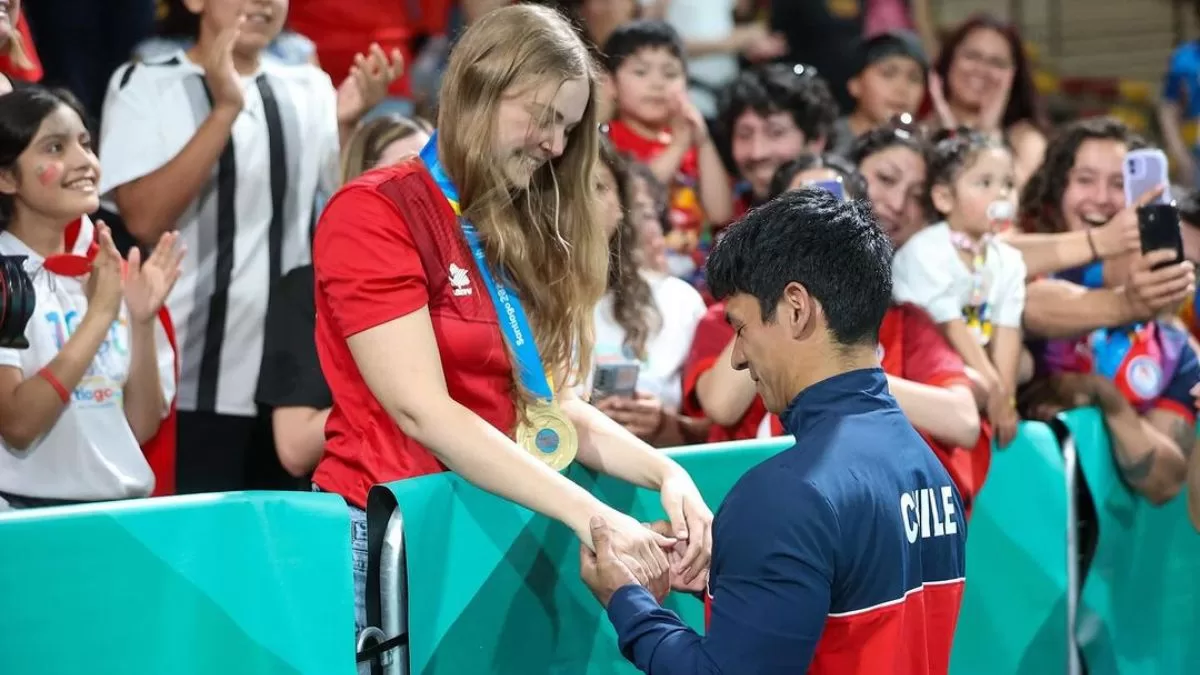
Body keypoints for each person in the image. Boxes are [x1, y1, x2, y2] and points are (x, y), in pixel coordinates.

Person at [309, 3, 713, 636]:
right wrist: (597, 519)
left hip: (498, 526)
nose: (556, 145)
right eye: (546, 117)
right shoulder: (373, 211)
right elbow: (423, 409)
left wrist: (668, 471)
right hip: (398, 538)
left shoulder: (516, 222)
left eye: (569, 127)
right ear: (482, 87)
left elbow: (546, 404)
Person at [582, 189, 967, 673]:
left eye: (741, 327)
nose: (739, 356)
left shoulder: (787, 496)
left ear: (795, 309)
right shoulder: (930, 471)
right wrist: (734, 571)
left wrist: (628, 600)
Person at [98, 0, 401, 494]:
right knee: (195, 552)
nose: (263, 2)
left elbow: (338, 213)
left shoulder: (309, 87)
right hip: (190, 374)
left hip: (292, 383)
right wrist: (225, 111)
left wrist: (347, 124)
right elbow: (145, 218)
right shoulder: (145, 84)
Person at [0, 87, 182, 508]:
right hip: (30, 522)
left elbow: (138, 426)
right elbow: (19, 423)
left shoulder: (107, 268)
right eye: (55, 147)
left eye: (85, 143)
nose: (85, 162)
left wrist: (140, 319)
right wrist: (99, 315)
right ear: (7, 177)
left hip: (117, 513)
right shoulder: (7, 277)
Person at [256, 115, 432, 481]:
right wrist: (406, 397)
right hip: (361, 501)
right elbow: (295, 446)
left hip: (446, 496)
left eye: (430, 168)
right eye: (403, 170)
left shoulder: (458, 281)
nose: (422, 185)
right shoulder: (306, 290)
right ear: (361, 184)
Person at [892, 129, 1026, 447]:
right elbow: (949, 326)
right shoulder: (925, 251)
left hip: (973, 376)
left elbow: (1007, 330)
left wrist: (1004, 401)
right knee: (978, 383)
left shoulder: (1009, 260)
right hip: (924, 369)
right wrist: (993, 390)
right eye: (985, 183)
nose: (1002, 195)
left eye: (1008, 184)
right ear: (944, 198)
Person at [589, 138, 708, 447]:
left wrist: (662, 424)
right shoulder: (516, 297)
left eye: (598, 187)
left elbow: (713, 428)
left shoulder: (679, 301)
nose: (580, 205)